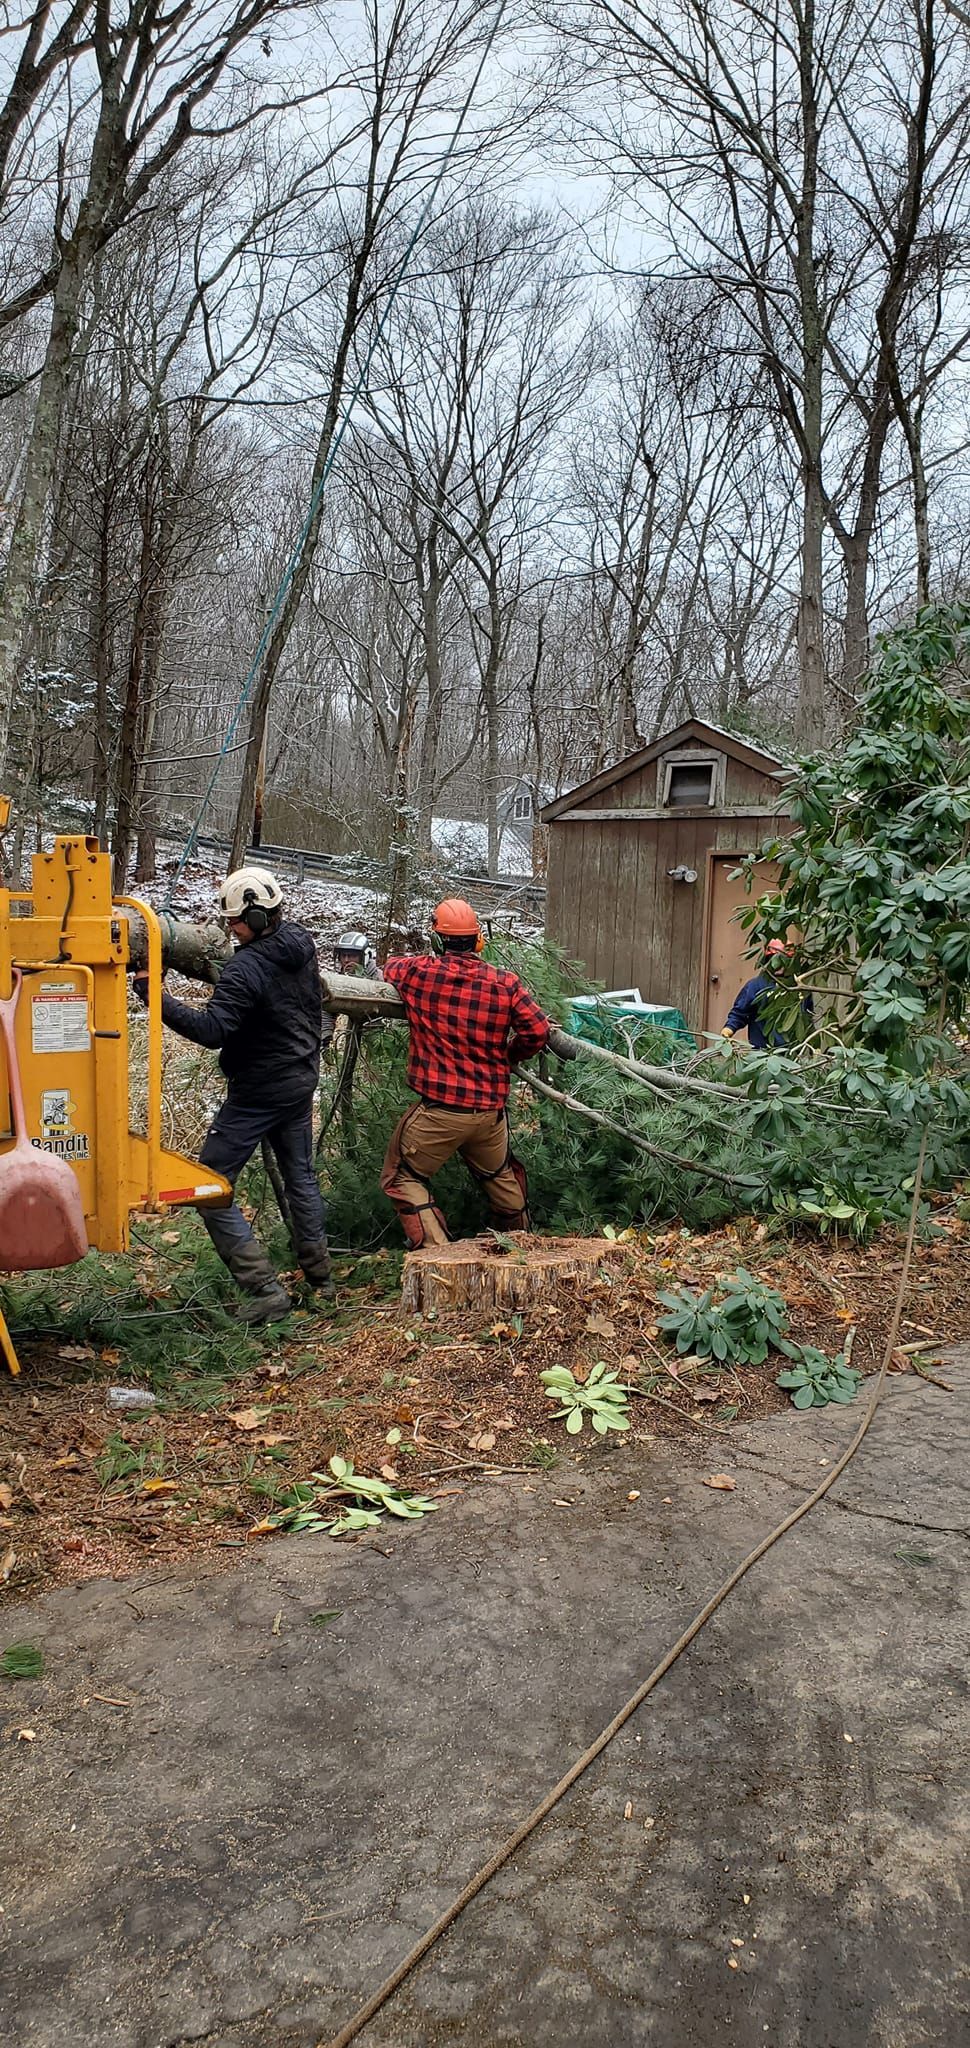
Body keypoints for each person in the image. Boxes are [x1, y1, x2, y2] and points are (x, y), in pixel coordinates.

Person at [134, 866, 333, 1323]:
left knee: (207, 1184)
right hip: (301, 1078)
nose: (233, 930)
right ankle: (321, 1278)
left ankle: (264, 1289)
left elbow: (212, 1029)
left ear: (261, 919)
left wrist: (154, 995)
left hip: (259, 1090)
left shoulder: (246, 967)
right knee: (300, 1176)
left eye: (238, 923)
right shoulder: (301, 944)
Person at [380, 897, 550, 1246]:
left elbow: (391, 968)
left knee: (401, 1178)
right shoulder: (505, 983)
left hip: (440, 1113)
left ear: (437, 941)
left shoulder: (419, 974)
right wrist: (509, 1056)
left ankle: (439, 1256)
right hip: (489, 1115)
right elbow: (537, 1029)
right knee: (500, 1177)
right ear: (478, 941)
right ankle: (520, 1249)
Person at [721, 938, 809, 1050]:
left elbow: (808, 1017)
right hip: (762, 1054)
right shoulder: (755, 986)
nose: (778, 965)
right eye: (773, 959)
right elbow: (739, 1014)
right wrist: (728, 1030)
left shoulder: (800, 988)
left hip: (793, 1056)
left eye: (783, 960)